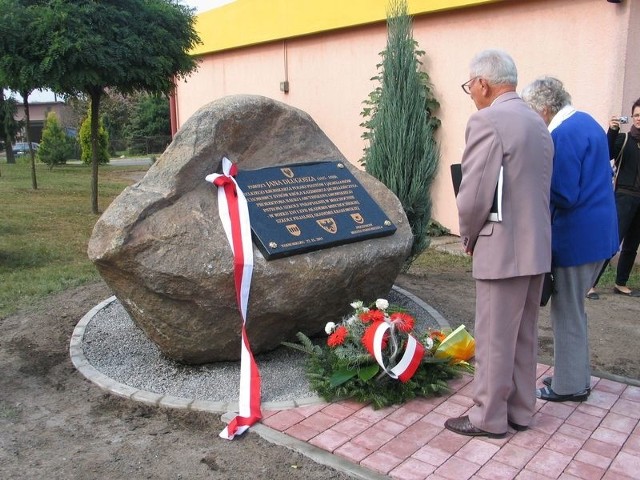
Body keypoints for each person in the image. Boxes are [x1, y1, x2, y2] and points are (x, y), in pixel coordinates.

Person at [444, 50, 553, 439]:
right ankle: (522, 411)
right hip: (537, 247)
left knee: (493, 337)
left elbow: (474, 195)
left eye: (469, 85)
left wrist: (468, 235)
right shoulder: (537, 122)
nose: (470, 92)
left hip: (502, 247)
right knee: (524, 335)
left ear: (483, 83)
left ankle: (488, 418)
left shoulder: (487, 120)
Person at [521, 77, 619, 402]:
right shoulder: (587, 122)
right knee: (574, 310)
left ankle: (569, 386)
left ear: (546, 108)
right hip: (599, 235)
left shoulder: (562, 135)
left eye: (533, 111)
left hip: (577, 239)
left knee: (566, 312)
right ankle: (573, 374)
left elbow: (564, 193)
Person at [587, 98, 640, 299]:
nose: (638, 119)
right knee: (611, 241)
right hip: (623, 196)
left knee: (632, 244)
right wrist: (612, 130)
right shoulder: (624, 139)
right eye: (636, 115)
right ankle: (590, 284)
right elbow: (606, 153)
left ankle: (621, 282)